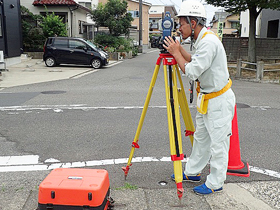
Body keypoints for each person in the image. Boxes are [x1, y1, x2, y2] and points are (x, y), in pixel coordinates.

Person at [163, 0, 236, 195]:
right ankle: (193, 171)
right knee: (202, 138)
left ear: (193, 23)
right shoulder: (202, 39)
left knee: (218, 143)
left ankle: (215, 182)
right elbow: (193, 60)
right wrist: (179, 50)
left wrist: (175, 52)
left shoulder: (209, 42)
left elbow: (192, 71)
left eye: (182, 23)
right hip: (207, 99)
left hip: (218, 100)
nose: (180, 28)